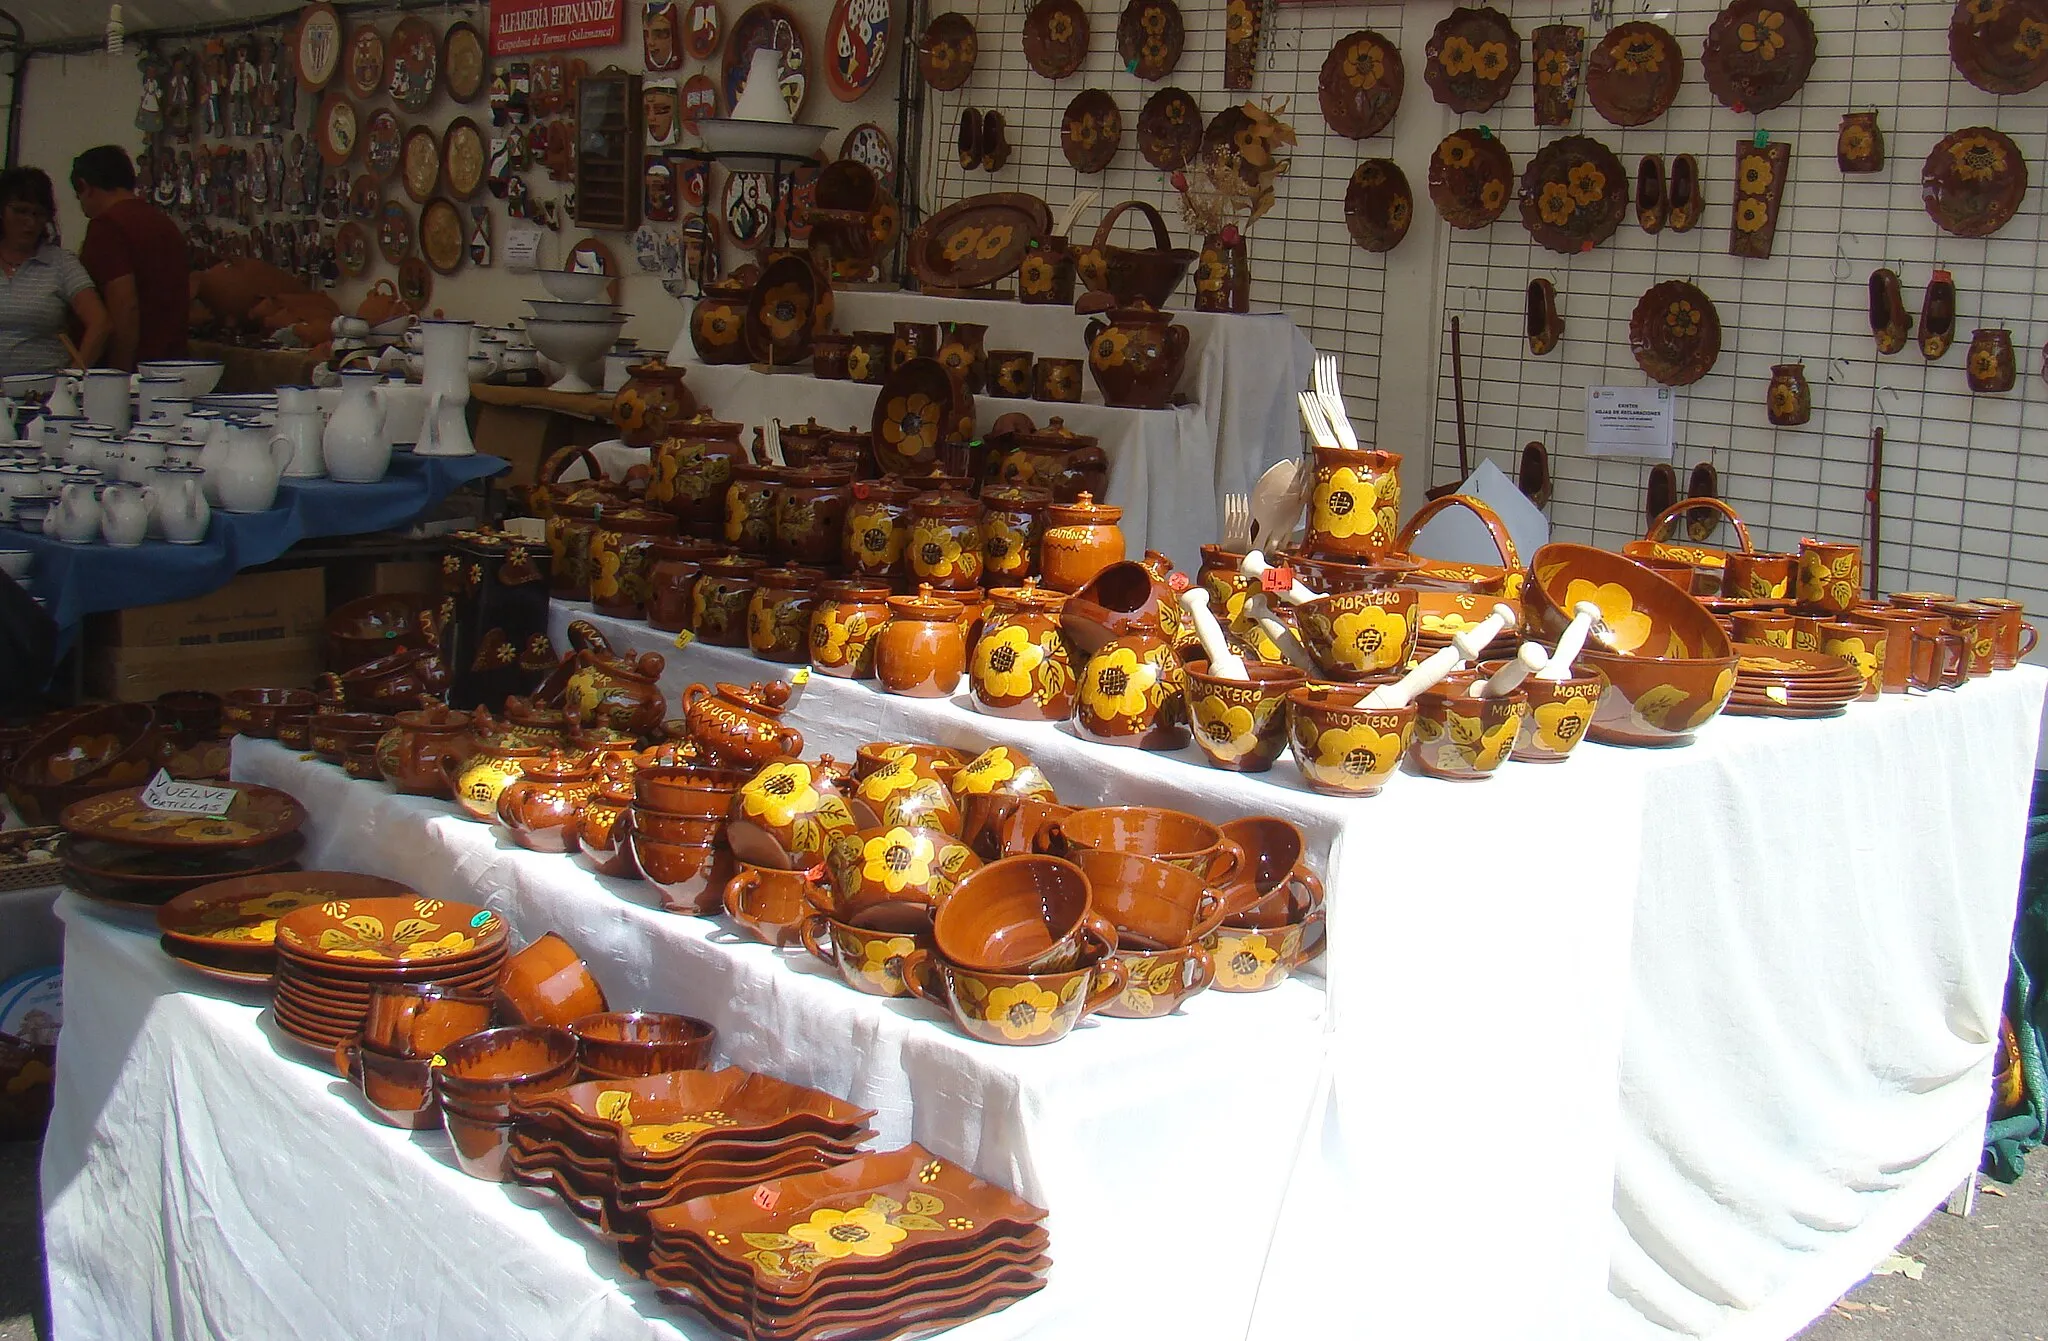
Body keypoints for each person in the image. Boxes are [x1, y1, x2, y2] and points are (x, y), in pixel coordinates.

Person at [71, 143, 190, 371]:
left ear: (85, 186)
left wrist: (118, 373)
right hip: (173, 365)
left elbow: (125, 306)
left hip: (135, 370)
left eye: (79, 197)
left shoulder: (107, 226)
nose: (82, 207)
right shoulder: (164, 223)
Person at [0, 166, 109, 378]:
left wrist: (71, 379)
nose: (30, 223)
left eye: (38, 214)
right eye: (20, 211)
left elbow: (101, 323)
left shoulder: (60, 263)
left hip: (44, 393)